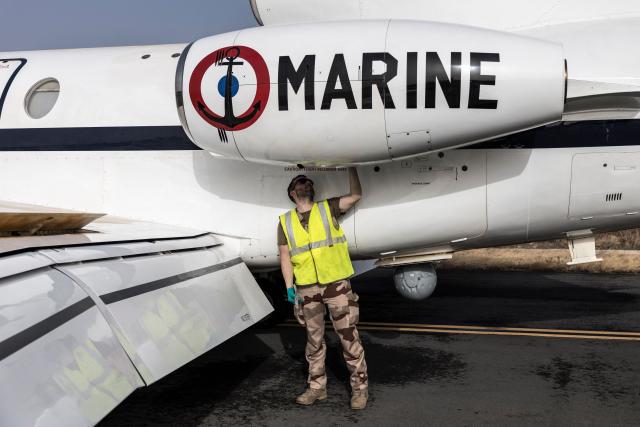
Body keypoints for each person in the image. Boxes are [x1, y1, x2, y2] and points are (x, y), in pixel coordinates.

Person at [277, 168, 369, 410]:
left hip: (336, 285)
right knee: (314, 341)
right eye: (300, 182)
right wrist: (289, 288)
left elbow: (356, 194)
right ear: (292, 193)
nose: (305, 184)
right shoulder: (285, 221)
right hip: (307, 289)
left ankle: (360, 390)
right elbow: (285, 257)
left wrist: (352, 167)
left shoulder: (327, 207)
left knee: (348, 337)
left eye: (307, 182)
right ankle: (317, 388)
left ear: (312, 190)